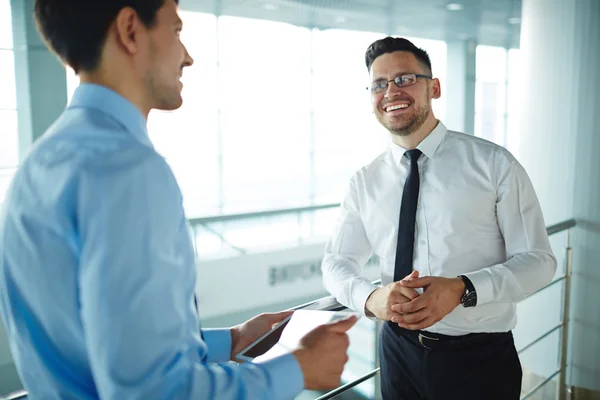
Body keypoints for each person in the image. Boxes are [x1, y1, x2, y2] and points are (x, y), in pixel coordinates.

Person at [0, 1, 357, 398]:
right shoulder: (128, 170)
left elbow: (103, 342)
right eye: (176, 30)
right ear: (130, 29)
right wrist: (297, 369)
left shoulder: (36, 166)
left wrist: (234, 340)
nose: (187, 56)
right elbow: (154, 392)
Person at [320, 36, 557, 400]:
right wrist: (370, 298)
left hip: (479, 358)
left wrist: (464, 287)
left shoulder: (493, 165)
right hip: (396, 351)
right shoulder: (365, 181)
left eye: (404, 79)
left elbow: (539, 261)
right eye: (379, 84)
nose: (391, 91)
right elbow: (336, 261)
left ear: (434, 87)